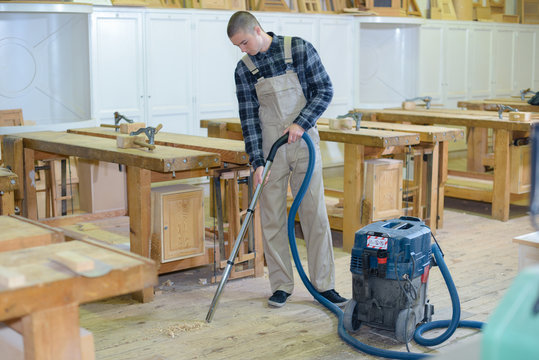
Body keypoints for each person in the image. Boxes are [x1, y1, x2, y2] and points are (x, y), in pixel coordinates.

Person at [227, 11, 348, 308]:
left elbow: (325, 90)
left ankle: (324, 285)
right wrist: (256, 161)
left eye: (244, 42)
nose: (243, 49)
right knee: (271, 217)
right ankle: (281, 285)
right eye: (238, 46)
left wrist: (301, 122)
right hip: (271, 151)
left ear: (257, 30)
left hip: (304, 144)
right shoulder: (244, 70)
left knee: (314, 215)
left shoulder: (299, 49)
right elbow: (249, 120)